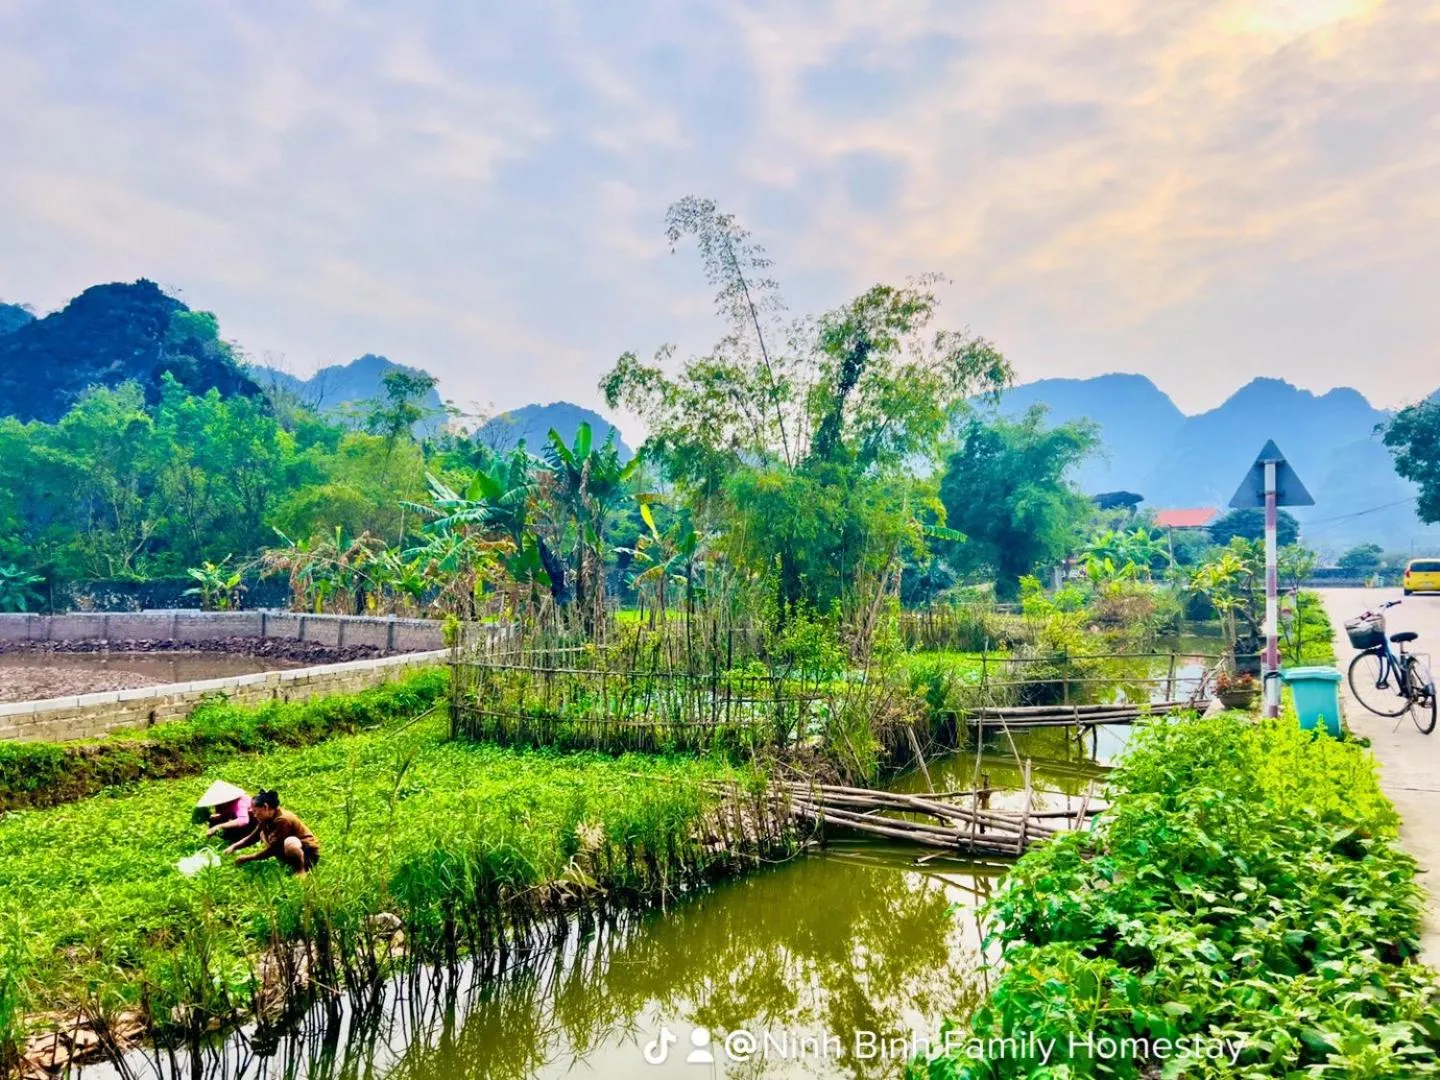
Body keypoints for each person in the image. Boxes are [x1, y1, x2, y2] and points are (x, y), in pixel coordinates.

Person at [226, 789, 321, 874]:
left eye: (255, 811)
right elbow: (253, 837)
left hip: (308, 854)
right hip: (288, 850)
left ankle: (301, 870)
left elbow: (275, 848)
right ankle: (288, 864)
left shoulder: (283, 820)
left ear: (265, 807)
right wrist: (234, 847)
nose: (254, 815)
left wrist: (248, 858)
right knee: (262, 834)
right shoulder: (266, 818)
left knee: (290, 842)